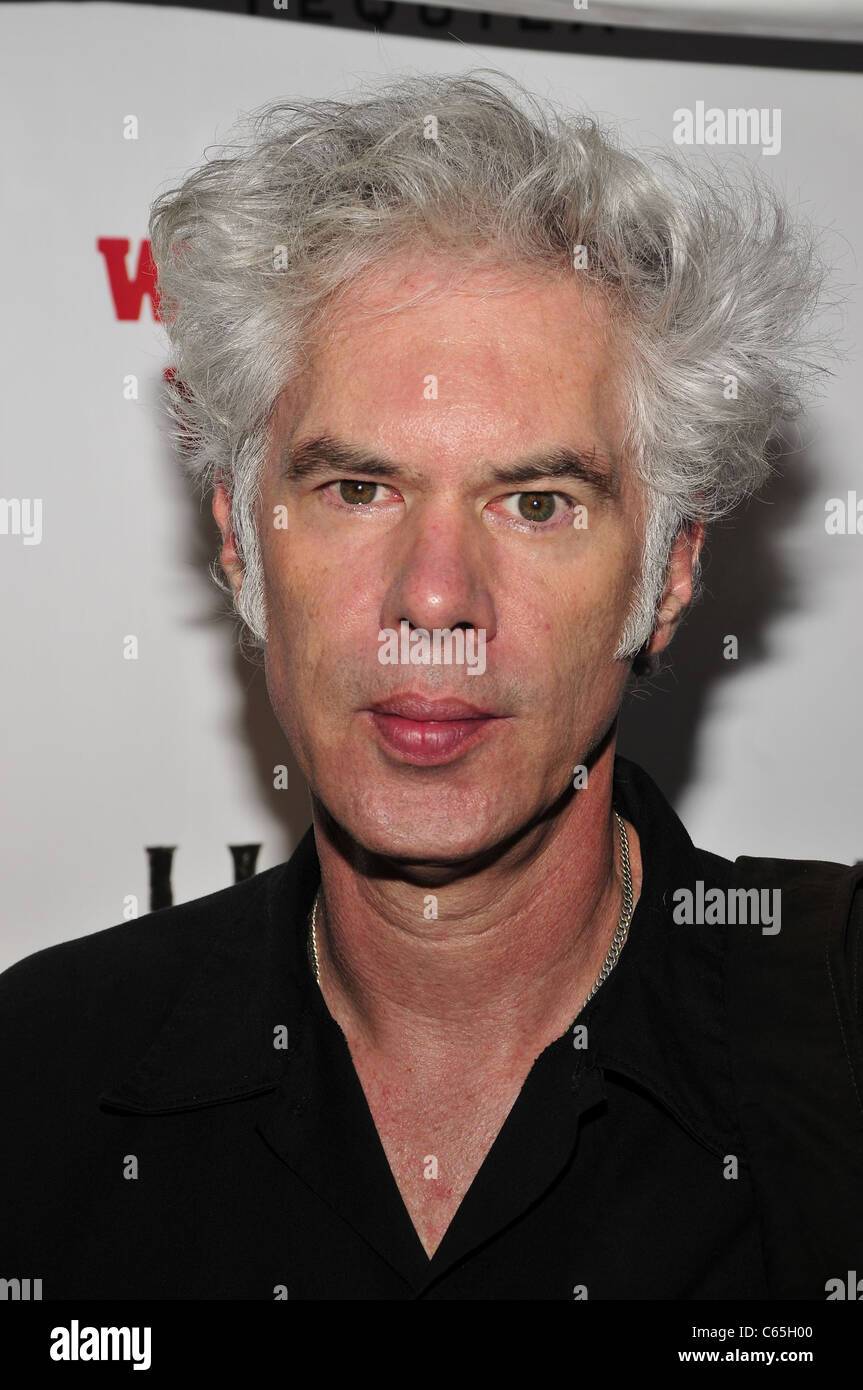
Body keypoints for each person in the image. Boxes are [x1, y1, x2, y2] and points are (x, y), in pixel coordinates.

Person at [2, 70, 861, 1301]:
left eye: (535, 502)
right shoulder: (38, 1081)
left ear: (668, 574)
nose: (437, 597)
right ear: (240, 545)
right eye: (358, 489)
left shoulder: (838, 1046)